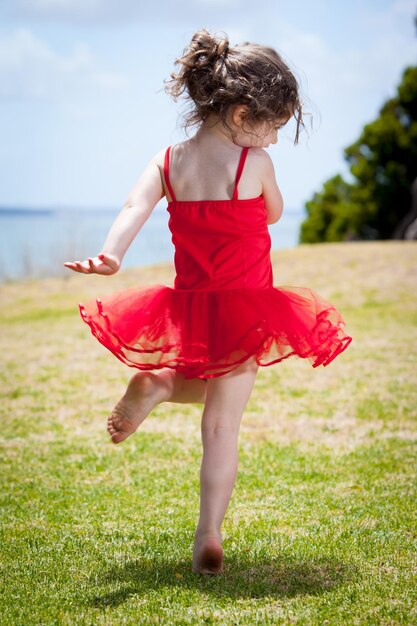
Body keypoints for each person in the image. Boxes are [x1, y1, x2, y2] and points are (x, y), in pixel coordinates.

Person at [64, 29, 352, 575]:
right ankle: (208, 534)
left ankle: (160, 382)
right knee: (222, 425)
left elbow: (134, 205)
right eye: (273, 127)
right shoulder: (254, 166)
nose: (272, 140)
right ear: (243, 114)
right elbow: (271, 213)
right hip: (245, 306)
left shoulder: (169, 160)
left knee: (215, 399)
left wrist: (110, 256)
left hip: (190, 305)